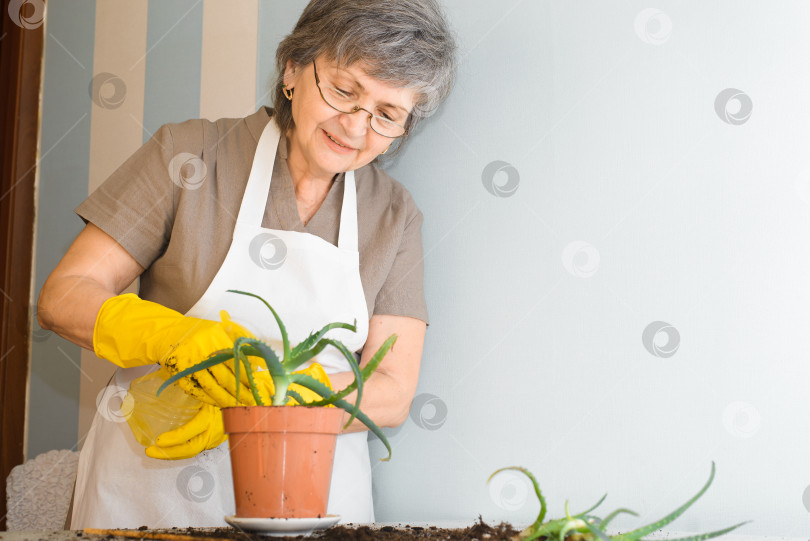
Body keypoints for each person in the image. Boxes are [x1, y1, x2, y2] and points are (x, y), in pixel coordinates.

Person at [37, 0, 456, 529]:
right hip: (152, 487)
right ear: (292, 70)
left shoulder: (393, 215)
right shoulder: (187, 155)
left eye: (386, 114)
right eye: (344, 90)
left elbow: (392, 391)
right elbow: (65, 295)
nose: (355, 126)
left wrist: (270, 403)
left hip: (315, 500)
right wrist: (180, 340)